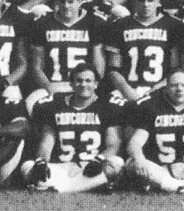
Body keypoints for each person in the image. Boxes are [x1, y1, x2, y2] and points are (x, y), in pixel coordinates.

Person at [21, 65, 125, 193]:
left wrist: (99, 160)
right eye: (79, 80)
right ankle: (90, 187)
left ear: (96, 84)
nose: (83, 84)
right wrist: (41, 162)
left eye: (88, 81)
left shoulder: (107, 105)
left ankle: (56, 187)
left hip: (92, 167)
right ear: (71, 84)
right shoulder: (55, 105)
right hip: (61, 167)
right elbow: (46, 144)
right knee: (28, 166)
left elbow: (113, 145)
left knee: (115, 164)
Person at [25, 0, 108, 111]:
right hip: (53, 85)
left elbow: (99, 64)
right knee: (31, 104)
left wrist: (88, 87)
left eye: (71, 1)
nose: (66, 6)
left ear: (80, 1)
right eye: (62, 1)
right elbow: (36, 66)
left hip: (84, 85)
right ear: (56, 2)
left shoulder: (93, 22)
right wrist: (48, 86)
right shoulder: (43, 23)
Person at [103, 0, 184, 102]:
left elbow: (175, 68)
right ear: (134, 2)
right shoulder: (120, 25)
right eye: (141, 0)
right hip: (127, 91)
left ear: (158, 2)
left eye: (150, 0)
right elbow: (113, 69)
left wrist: (157, 89)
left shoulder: (173, 25)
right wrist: (129, 92)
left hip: (161, 90)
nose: (146, 5)